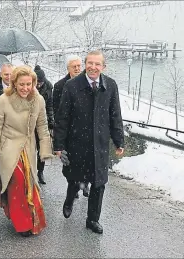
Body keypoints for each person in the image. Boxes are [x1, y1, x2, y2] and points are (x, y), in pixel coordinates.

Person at [53, 50, 125, 234]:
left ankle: (93, 219)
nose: (93, 67)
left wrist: (119, 141)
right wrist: (59, 145)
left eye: (97, 64)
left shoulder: (110, 86)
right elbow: (63, 118)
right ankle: (70, 199)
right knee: (75, 178)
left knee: (99, 183)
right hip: (77, 142)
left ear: (103, 67)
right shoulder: (72, 86)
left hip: (99, 144)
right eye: (90, 63)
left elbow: (115, 114)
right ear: (85, 64)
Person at [0, 65, 53, 237]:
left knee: (29, 183)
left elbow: (42, 125)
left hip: (28, 147)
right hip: (9, 146)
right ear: (14, 84)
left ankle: (29, 219)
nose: (25, 88)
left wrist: (45, 150)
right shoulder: (4, 100)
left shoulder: (38, 100)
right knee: (17, 182)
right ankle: (22, 223)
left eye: (29, 84)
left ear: (34, 83)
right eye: (21, 84)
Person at [53, 55, 89, 197]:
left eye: (79, 66)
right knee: (69, 163)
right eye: (74, 66)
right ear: (68, 68)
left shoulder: (88, 83)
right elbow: (57, 110)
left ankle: (85, 183)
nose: (77, 69)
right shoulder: (60, 86)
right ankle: (72, 186)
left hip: (85, 129)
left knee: (86, 160)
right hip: (68, 131)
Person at [33, 65, 54, 185]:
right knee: (30, 148)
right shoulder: (28, 85)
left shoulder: (48, 87)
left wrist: (51, 119)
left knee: (42, 149)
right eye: (37, 82)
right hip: (30, 122)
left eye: (40, 82)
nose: (38, 85)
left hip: (42, 121)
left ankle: (40, 171)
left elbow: (50, 104)